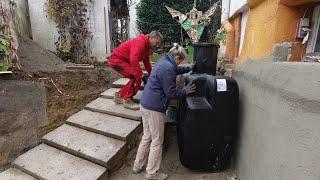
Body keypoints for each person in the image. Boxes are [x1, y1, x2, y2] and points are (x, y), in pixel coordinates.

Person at [133, 44, 196, 180]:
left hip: (145, 103)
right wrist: (185, 91)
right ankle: (152, 173)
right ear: (177, 57)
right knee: (157, 140)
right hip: (154, 108)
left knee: (147, 136)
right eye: (181, 60)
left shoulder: (164, 61)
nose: (180, 63)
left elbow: (175, 69)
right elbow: (171, 93)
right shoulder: (168, 68)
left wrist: (189, 68)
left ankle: (138, 166)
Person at [107, 31, 163, 110]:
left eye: (158, 44)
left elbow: (146, 62)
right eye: (157, 42)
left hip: (123, 60)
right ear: (151, 37)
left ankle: (119, 96)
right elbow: (133, 59)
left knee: (136, 77)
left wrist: (151, 74)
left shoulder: (147, 46)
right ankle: (127, 100)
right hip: (116, 61)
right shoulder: (140, 42)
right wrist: (141, 74)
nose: (157, 45)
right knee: (136, 77)